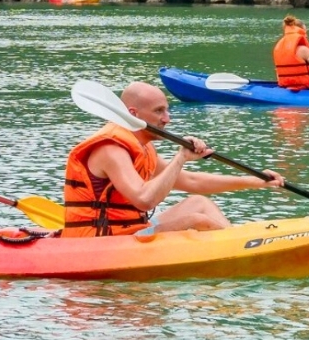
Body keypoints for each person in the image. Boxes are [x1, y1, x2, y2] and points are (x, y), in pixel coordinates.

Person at [61, 82, 284, 237]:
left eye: (167, 110)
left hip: (132, 229)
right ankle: (239, 247)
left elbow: (192, 182)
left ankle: (235, 243)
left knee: (199, 203)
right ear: (133, 114)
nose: (167, 119)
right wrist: (180, 158)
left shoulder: (143, 148)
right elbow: (144, 200)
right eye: (159, 111)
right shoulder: (111, 150)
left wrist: (255, 181)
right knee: (195, 220)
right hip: (104, 239)